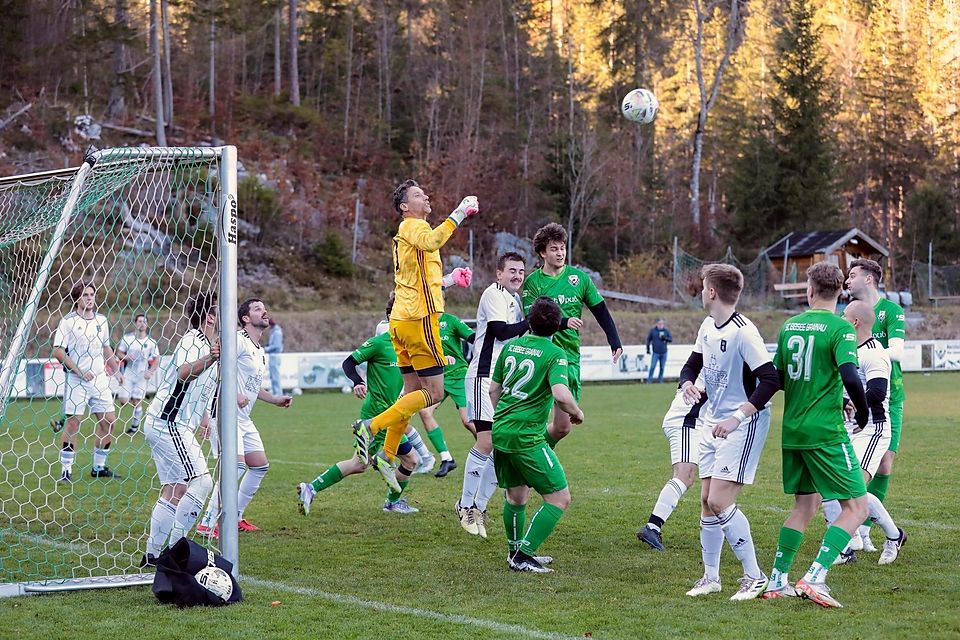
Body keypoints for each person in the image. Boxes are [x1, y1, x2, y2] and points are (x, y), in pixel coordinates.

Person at [352, 180, 479, 492]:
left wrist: (449, 280)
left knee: (410, 393)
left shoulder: (407, 234)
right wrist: (460, 212)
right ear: (405, 207)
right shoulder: (414, 226)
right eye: (418, 195)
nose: (426, 196)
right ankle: (371, 426)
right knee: (433, 393)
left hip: (401, 320)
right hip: (420, 320)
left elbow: (417, 279)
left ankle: (386, 455)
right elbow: (434, 240)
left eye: (424, 193)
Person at [761, 262, 870, 608]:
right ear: (840, 292)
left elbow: (778, 378)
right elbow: (850, 375)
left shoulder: (790, 326)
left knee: (805, 505)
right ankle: (815, 577)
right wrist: (863, 410)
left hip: (793, 431)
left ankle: (777, 580)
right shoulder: (841, 327)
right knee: (858, 507)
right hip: (825, 432)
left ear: (809, 291)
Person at [680, 264, 780, 601]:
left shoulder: (744, 332)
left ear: (711, 292)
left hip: (743, 425)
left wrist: (737, 418)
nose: (701, 291)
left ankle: (755, 576)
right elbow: (692, 365)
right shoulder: (708, 324)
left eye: (703, 286)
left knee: (719, 501)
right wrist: (688, 384)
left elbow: (771, 380)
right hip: (713, 421)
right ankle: (711, 577)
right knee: (706, 502)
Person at [298, 296, 421, 515]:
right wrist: (357, 382)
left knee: (408, 460)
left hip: (394, 415)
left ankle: (391, 502)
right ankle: (311, 488)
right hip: (376, 414)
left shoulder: (408, 345)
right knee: (362, 464)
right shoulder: (379, 343)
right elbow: (349, 362)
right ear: (392, 316)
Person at [491, 297, 584, 573]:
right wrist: (577, 412)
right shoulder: (555, 353)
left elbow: (493, 389)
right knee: (559, 498)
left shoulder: (511, 347)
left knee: (516, 497)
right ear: (557, 325)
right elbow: (560, 394)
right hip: (527, 437)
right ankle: (524, 554)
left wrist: (504, 417)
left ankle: (514, 552)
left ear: (529, 322)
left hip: (501, 431)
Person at [197, 298, 293, 537]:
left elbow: (253, 387)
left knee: (259, 466)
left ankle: (235, 516)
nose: (265, 312)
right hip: (224, 412)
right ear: (245, 318)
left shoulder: (259, 350)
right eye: (258, 309)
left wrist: (275, 399)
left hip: (242, 417)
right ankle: (207, 523)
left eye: (265, 308)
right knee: (236, 466)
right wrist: (232, 393)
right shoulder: (237, 340)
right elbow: (217, 368)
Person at [521, 223, 621, 447]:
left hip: (569, 357)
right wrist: (564, 322)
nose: (560, 253)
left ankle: (533, 453)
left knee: (563, 427)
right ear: (542, 253)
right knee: (534, 421)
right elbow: (532, 321)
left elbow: (601, 311)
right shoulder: (533, 283)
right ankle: (530, 459)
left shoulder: (579, 278)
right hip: (541, 356)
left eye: (562, 248)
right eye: (554, 249)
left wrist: (614, 340)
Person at [823, 300, 905, 566]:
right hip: (848, 429)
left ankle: (892, 536)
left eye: (844, 316)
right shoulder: (846, 349)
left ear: (855, 322)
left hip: (871, 429)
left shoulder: (874, 353)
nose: (840, 319)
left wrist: (853, 404)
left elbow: (878, 392)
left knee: (852, 486)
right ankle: (849, 544)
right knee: (834, 485)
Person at [142, 293, 219, 566]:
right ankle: (175, 553)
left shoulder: (208, 345)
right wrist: (210, 358)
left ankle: (152, 555)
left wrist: (205, 418)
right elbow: (184, 373)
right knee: (203, 481)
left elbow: (200, 389)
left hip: (167, 422)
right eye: (218, 310)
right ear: (209, 317)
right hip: (169, 422)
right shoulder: (193, 340)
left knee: (175, 489)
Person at [457, 252, 530, 538]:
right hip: (483, 375)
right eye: (511, 270)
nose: (517, 275)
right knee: (486, 441)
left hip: (502, 379)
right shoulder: (493, 294)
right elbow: (500, 332)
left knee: (502, 447)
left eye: (521, 271)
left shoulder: (516, 299)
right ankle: (465, 505)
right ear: (499, 273)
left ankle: (479, 507)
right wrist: (532, 322)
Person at [844, 258, 906, 553]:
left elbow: (898, 351)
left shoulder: (890, 311)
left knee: (883, 465)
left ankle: (865, 530)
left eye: (852, 275)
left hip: (886, 398)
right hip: (856, 402)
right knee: (848, 474)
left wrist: (870, 352)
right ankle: (861, 531)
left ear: (868, 279)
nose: (847, 281)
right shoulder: (849, 314)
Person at [52, 281, 124, 482]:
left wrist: (116, 371)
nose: (90, 298)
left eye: (92, 294)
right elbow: (58, 351)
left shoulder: (101, 320)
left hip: (99, 380)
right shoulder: (68, 322)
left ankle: (98, 467)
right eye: (85, 295)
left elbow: (106, 348)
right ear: (77, 298)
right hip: (77, 380)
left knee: (109, 422)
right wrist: (80, 371)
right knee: (73, 424)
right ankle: (66, 470)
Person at [637, 375, 707, 551]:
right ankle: (652, 527)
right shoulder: (714, 360)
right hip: (687, 419)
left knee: (707, 478)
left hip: (697, 421)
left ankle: (712, 529)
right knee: (684, 476)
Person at [416, 310, 476, 477]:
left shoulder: (451, 320)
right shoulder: (422, 323)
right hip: (437, 378)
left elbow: (474, 338)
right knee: (424, 412)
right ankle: (447, 459)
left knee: (468, 421)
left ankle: (491, 456)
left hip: (458, 376)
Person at [117, 313, 160, 435]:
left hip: (142, 375)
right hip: (128, 373)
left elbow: (157, 359)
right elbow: (119, 353)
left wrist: (150, 371)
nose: (142, 324)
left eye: (144, 321)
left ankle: (134, 427)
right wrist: (126, 357)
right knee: (123, 401)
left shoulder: (151, 342)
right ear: (135, 323)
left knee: (137, 402)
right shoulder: (128, 338)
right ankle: (133, 395)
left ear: (147, 324)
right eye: (140, 321)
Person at [646, 319, 673, 384]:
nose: (661, 325)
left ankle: (660, 381)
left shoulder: (666, 331)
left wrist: (665, 338)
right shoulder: (653, 331)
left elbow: (670, 339)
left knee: (662, 367)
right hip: (655, 352)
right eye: (659, 324)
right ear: (657, 324)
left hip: (664, 352)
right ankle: (649, 381)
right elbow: (648, 340)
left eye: (662, 324)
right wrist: (648, 349)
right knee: (652, 366)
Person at [264, 318, 284, 397]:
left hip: (275, 355)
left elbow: (277, 346)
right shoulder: (274, 331)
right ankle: (276, 391)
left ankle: (278, 392)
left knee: (275, 375)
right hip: (273, 355)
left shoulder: (276, 333)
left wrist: (266, 349)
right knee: (273, 375)